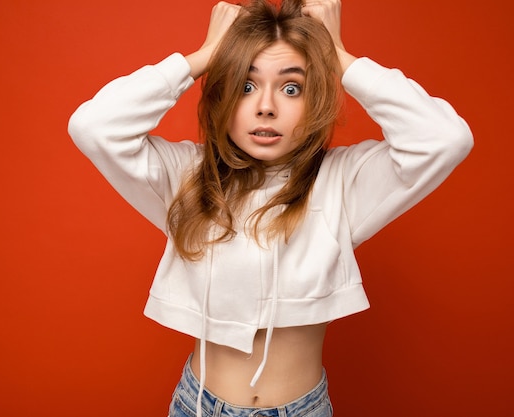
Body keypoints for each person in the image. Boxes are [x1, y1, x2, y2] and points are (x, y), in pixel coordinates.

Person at [68, 0, 473, 415]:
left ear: (314, 98)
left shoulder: (343, 182)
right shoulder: (185, 177)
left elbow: (444, 139)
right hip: (198, 406)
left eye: (291, 87)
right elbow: (95, 127)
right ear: (223, 94)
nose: (266, 106)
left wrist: (339, 56)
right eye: (246, 85)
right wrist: (202, 57)